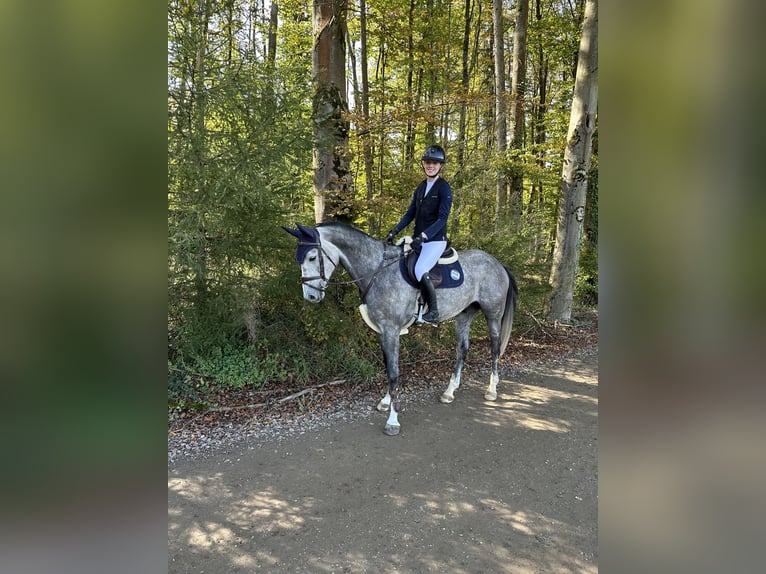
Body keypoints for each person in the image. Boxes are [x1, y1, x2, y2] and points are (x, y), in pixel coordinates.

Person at [386, 144, 452, 323]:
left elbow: (442, 219)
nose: (431, 166)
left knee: (420, 269)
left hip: (435, 240)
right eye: (428, 162)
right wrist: (395, 230)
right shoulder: (421, 187)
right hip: (419, 239)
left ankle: (434, 312)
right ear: (423, 164)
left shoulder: (444, 188)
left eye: (435, 163)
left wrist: (424, 236)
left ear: (440, 166)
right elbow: (410, 213)